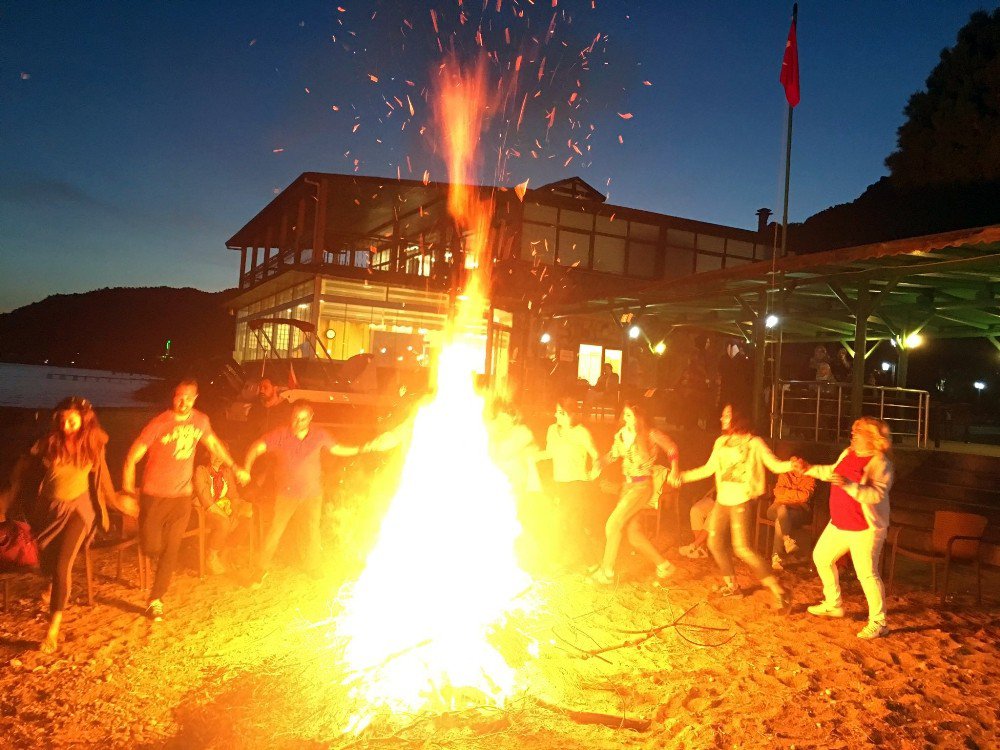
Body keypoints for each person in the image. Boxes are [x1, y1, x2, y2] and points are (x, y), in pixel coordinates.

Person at [4, 397, 124, 652]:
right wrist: (9, 495)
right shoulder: (49, 443)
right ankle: (53, 584)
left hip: (79, 511)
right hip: (48, 510)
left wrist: (115, 503)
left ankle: (52, 630)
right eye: (62, 420)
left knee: (61, 567)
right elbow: (22, 466)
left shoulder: (92, 444)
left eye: (72, 420)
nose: (67, 425)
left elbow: (103, 476)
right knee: (46, 563)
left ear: (84, 420)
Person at [122, 380, 248, 621]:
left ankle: (155, 599)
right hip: (154, 495)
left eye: (189, 398)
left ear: (195, 398)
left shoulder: (200, 421)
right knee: (151, 546)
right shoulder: (159, 423)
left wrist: (234, 466)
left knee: (172, 549)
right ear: (173, 397)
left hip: (181, 497)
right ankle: (153, 555)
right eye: (180, 397)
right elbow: (131, 457)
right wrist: (128, 492)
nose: (184, 402)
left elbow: (214, 444)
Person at [243, 400, 400, 585]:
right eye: (295, 418)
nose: (297, 423)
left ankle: (312, 566)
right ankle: (260, 569)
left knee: (311, 531)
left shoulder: (319, 435)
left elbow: (338, 449)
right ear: (290, 418)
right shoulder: (280, 435)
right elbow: (256, 447)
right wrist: (246, 468)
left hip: (312, 494)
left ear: (310, 418)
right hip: (286, 494)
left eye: (302, 419)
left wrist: (362, 448)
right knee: (275, 531)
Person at [671, 404, 792, 609]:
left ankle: (779, 590)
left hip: (741, 500)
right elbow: (709, 469)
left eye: (726, 415)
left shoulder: (754, 443)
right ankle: (732, 586)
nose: (722, 418)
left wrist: (792, 465)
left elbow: (774, 465)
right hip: (723, 500)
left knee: (742, 548)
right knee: (714, 543)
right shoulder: (721, 442)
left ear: (737, 417)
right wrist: (683, 477)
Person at [794, 417, 894, 639]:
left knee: (867, 574)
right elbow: (832, 471)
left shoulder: (881, 463)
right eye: (853, 430)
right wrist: (808, 469)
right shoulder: (848, 453)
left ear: (871, 436)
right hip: (840, 522)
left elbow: (876, 494)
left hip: (865, 527)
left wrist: (849, 485)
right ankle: (833, 603)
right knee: (821, 557)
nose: (853, 434)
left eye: (858, 431)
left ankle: (879, 622)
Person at [590, 402, 679, 584]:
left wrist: (675, 470)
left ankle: (606, 572)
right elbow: (612, 456)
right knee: (634, 534)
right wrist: (599, 463)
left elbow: (672, 448)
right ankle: (664, 565)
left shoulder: (650, 434)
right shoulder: (621, 436)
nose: (625, 419)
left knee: (613, 524)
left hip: (641, 487)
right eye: (625, 415)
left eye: (629, 415)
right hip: (627, 488)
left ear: (639, 417)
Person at [536, 397, 600, 558]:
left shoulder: (581, 432)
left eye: (561, 412)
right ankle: (561, 558)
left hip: (577, 484)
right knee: (567, 523)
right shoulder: (552, 430)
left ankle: (590, 562)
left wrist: (594, 473)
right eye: (556, 412)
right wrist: (532, 457)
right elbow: (550, 452)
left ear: (571, 414)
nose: (556, 416)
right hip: (560, 483)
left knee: (569, 521)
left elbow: (596, 455)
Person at [193, 445, 252, 575]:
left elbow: (233, 495)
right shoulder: (201, 471)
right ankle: (211, 556)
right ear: (208, 454)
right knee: (224, 522)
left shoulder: (226, 472)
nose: (219, 458)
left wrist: (235, 513)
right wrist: (226, 515)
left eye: (222, 455)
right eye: (215, 454)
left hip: (222, 506)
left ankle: (226, 551)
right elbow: (206, 500)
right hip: (204, 510)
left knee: (247, 516)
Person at [766, 470, 816, 571]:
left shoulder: (809, 477)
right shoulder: (784, 474)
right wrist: (796, 496)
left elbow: (805, 496)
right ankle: (786, 540)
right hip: (776, 507)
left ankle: (777, 558)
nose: (796, 466)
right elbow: (777, 492)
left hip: (798, 511)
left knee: (780, 519)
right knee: (782, 509)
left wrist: (786, 494)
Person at [678, 487, 714, 559]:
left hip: (728, 503)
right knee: (695, 510)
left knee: (714, 514)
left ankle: (695, 545)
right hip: (713, 498)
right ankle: (702, 548)